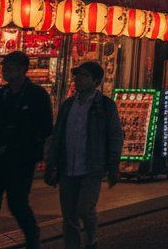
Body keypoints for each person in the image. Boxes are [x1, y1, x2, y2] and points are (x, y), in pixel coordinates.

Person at [0, 50, 52, 249]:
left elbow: (45, 127)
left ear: (23, 70)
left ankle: (32, 234)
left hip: (20, 160)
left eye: (11, 67)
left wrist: (31, 148)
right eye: (5, 67)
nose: (6, 71)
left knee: (17, 203)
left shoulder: (37, 96)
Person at [44, 61, 122, 249]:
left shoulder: (104, 105)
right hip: (67, 167)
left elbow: (114, 135)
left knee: (85, 208)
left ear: (96, 81)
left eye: (84, 76)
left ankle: (92, 239)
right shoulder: (68, 105)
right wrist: (51, 164)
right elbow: (58, 135)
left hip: (91, 167)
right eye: (77, 75)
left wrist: (113, 166)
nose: (78, 79)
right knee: (69, 214)